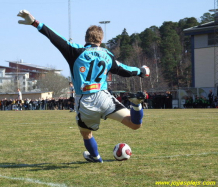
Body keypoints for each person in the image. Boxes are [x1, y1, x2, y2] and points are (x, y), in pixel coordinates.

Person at [17, 10, 150, 163]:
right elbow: (124, 69)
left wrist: (35, 23)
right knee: (135, 124)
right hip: (103, 97)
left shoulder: (75, 51)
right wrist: (142, 71)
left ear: (86, 38)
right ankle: (137, 105)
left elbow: (54, 38)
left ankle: (95, 156)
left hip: (85, 101)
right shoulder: (107, 55)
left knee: (86, 134)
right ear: (101, 40)